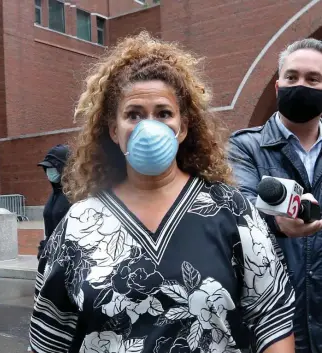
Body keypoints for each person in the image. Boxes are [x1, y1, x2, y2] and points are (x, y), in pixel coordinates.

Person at [29, 32, 295, 353]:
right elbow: (49, 338)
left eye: (164, 113)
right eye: (133, 114)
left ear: (183, 127)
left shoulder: (230, 209)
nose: (149, 126)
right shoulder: (80, 222)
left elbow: (272, 318)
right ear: (114, 130)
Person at [229, 38, 322, 353]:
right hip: (273, 327)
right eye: (292, 77)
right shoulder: (244, 147)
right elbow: (237, 212)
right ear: (277, 86)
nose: (301, 85)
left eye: (313, 79)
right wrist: (279, 225)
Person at [37, 144, 71, 259]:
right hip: (50, 258)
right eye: (47, 168)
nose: (49, 172)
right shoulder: (55, 193)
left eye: (53, 168)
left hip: (66, 261)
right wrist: (43, 249)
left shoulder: (76, 195)